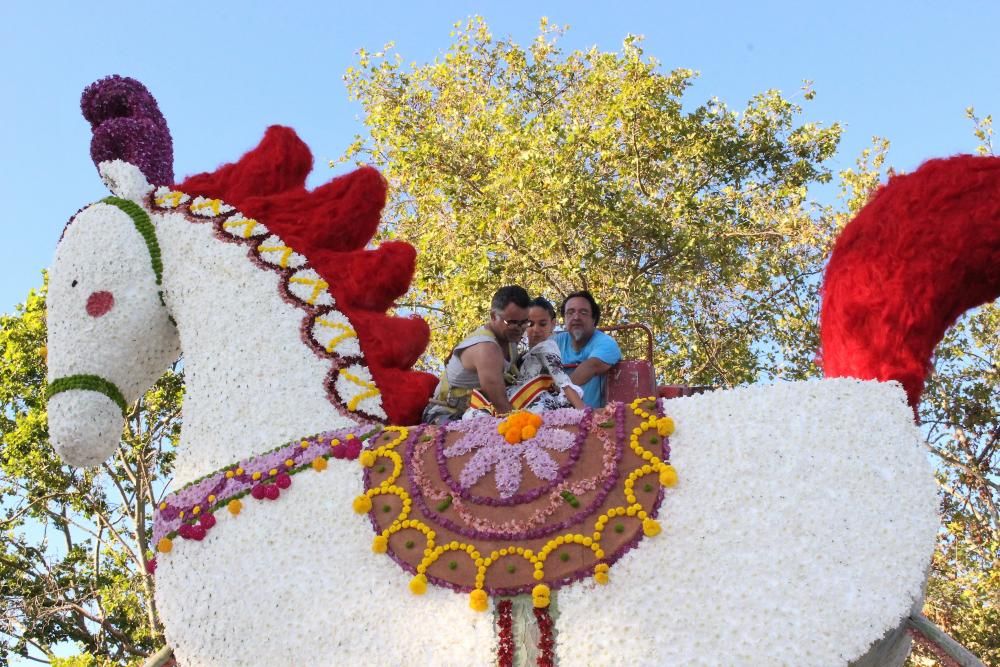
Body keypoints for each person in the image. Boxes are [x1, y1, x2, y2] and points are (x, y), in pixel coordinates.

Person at [422, 285, 531, 423]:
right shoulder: (486, 348)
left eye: (524, 322)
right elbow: (504, 409)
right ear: (493, 316)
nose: (519, 328)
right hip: (445, 415)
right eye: (512, 322)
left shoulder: (510, 342)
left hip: (478, 414)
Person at [466, 297, 585, 417]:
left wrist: (585, 415)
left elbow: (563, 381)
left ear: (553, 324)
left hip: (537, 408)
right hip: (520, 405)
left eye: (542, 324)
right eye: (530, 324)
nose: (536, 329)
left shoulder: (547, 346)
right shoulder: (522, 354)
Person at [556, 290, 622, 408]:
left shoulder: (606, 343)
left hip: (594, 419)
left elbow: (589, 367)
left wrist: (555, 392)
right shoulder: (556, 342)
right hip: (555, 417)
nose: (576, 317)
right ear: (564, 319)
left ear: (594, 319)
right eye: (570, 313)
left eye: (583, 312)